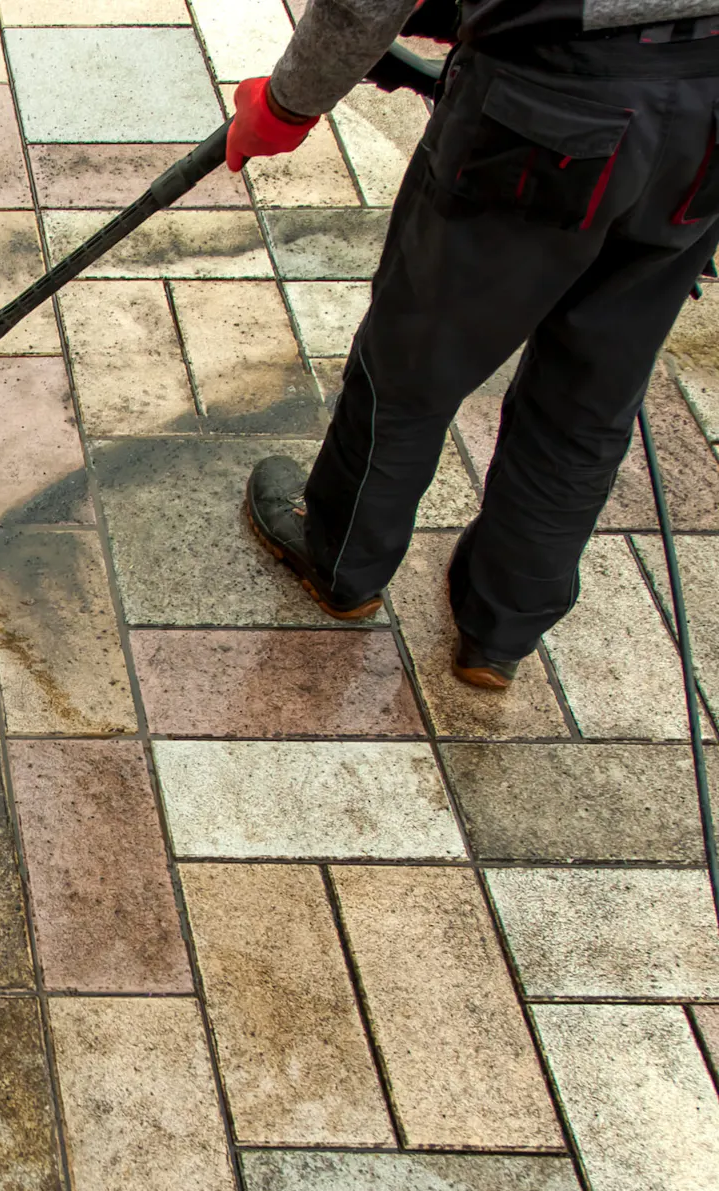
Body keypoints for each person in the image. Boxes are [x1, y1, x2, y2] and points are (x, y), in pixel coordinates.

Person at [229, 0, 719, 686]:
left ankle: (342, 558)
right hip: (706, 122)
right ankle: (501, 630)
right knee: (589, 398)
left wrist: (286, 104)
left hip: (550, 107)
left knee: (414, 363)